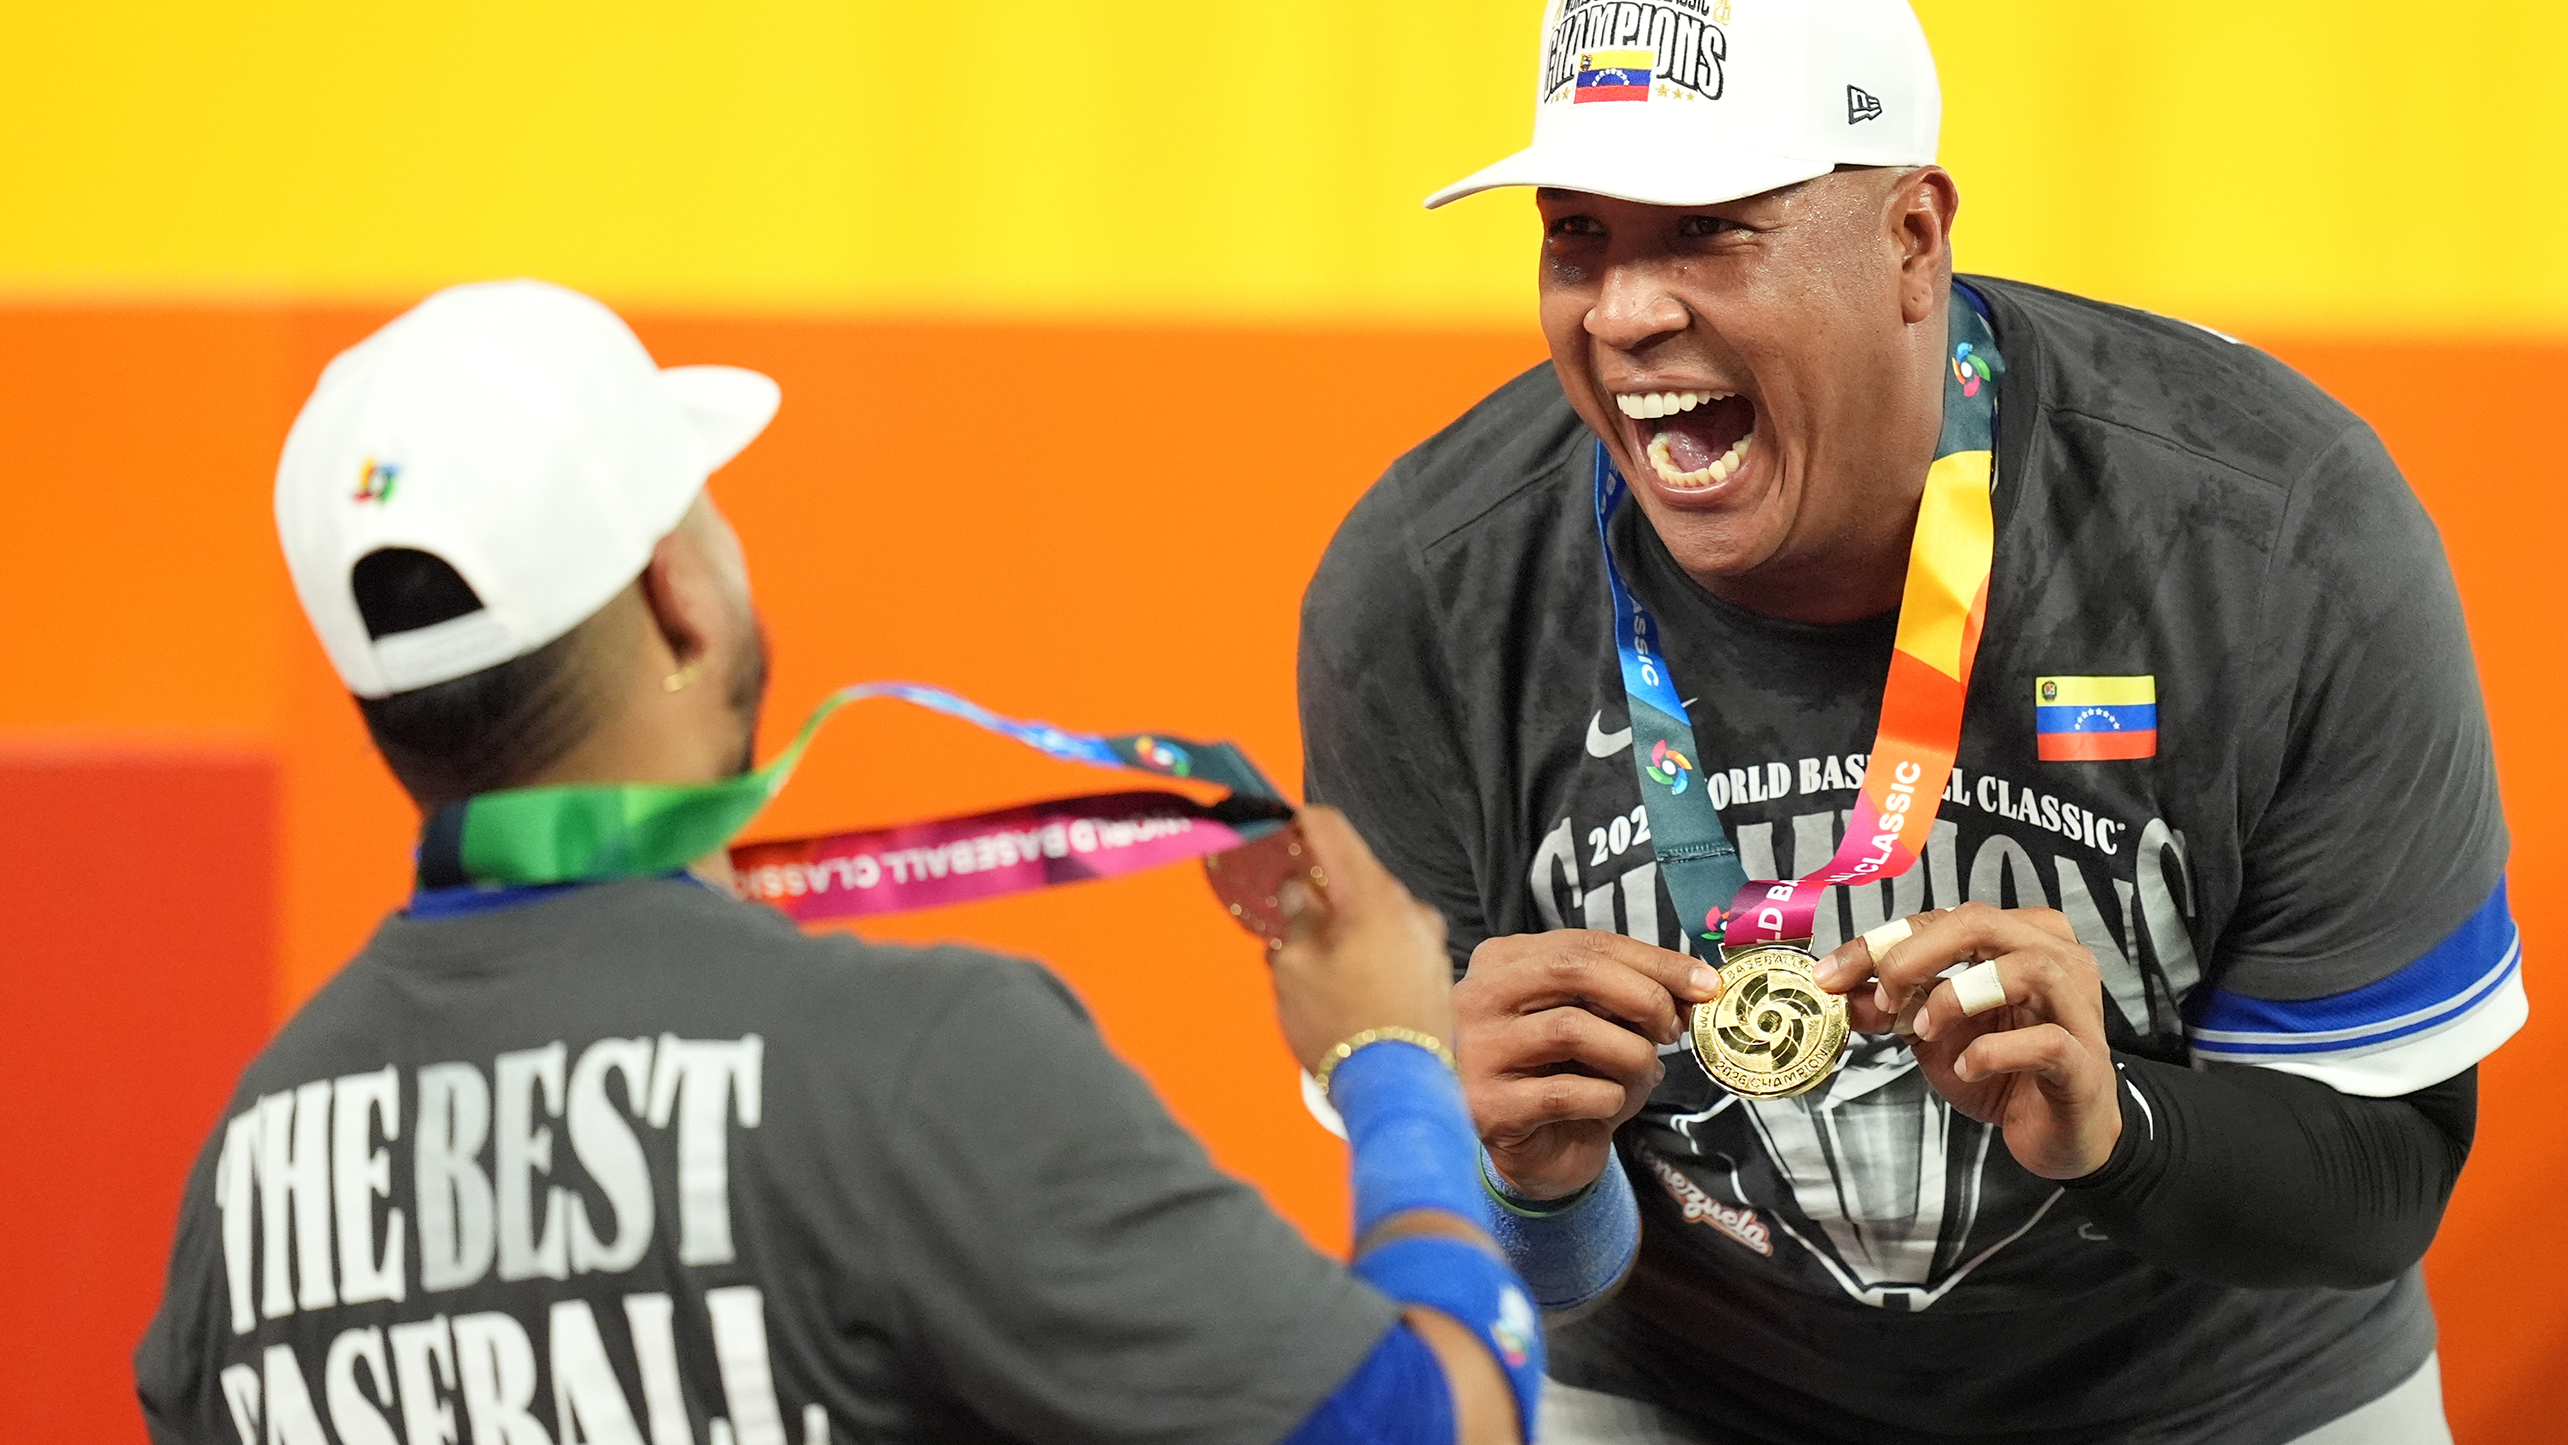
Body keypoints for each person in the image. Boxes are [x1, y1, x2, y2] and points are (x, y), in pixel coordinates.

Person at [1296, 3, 2516, 1442]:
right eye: (1578, 233)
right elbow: (1511, 1279)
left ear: (1911, 244)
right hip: (1686, 1395)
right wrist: (1526, 1180)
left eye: (1703, 226)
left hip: (2223, 1399)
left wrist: (2119, 1128)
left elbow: (2379, 1188)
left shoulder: (2272, 538)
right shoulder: (1429, 591)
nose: (1622, 312)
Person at [135, 280, 1545, 1445]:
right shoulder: (913, 1067)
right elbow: (1443, 1420)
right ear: (676, 600)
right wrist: (1389, 1057)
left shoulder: (243, 1184)